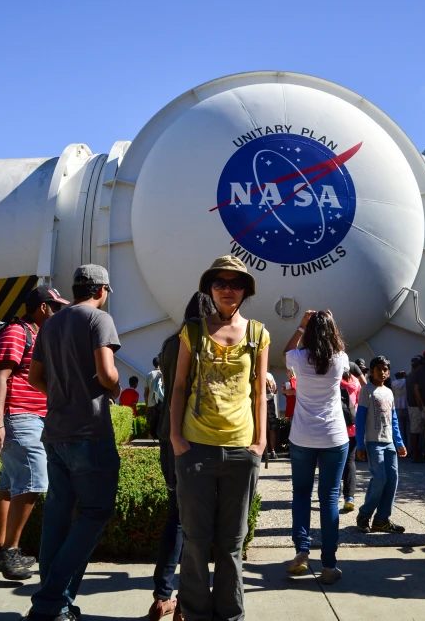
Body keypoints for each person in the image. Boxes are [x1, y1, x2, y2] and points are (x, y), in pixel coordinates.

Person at [170, 256, 269, 621]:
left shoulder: (259, 334)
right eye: (220, 283)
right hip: (195, 447)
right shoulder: (193, 332)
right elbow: (179, 386)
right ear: (210, 289)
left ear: (245, 291)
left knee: (231, 542)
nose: (228, 289)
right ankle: (195, 613)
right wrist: (176, 437)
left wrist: (259, 444)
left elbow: (259, 392)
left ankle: (230, 614)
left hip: (241, 450)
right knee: (195, 539)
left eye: (236, 283)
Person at [26, 264, 121, 621]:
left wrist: (64, 394)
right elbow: (107, 371)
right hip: (89, 432)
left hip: (55, 432)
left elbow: (35, 377)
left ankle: (58, 604)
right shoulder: (99, 320)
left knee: (57, 518)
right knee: (96, 512)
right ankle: (51, 601)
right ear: (101, 290)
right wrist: (111, 388)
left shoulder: (49, 324)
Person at [0, 286, 69, 581]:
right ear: (43, 308)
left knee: (10, 484)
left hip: (30, 418)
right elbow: (0, 376)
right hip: (18, 418)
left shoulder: (37, 334)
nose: (58, 312)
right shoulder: (16, 332)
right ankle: (10, 550)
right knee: (36, 480)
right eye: (56, 306)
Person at [149, 292, 215, 621]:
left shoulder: (170, 343)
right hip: (199, 438)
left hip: (168, 435)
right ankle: (187, 603)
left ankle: (162, 596)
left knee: (175, 516)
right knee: (199, 524)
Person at [283, 309, 349, 585]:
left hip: (302, 436)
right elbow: (339, 349)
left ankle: (302, 550)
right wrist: (330, 322)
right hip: (334, 436)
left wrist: (300, 326)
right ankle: (329, 564)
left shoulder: (299, 357)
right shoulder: (340, 358)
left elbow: (287, 351)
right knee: (330, 498)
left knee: (301, 494)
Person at [356, 356, 406, 533]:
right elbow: (360, 418)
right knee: (379, 478)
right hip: (373, 442)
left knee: (392, 479)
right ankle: (364, 515)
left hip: (389, 443)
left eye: (385, 369)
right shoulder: (366, 390)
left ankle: (382, 520)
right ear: (371, 371)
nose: (382, 372)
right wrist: (360, 445)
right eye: (379, 369)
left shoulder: (389, 392)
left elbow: (393, 420)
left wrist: (399, 442)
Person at [340, 367, 360, 512]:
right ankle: (349, 497)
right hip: (352, 425)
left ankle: (333, 494)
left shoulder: (332, 380)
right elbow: (359, 402)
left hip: (335, 427)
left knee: (332, 461)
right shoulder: (355, 381)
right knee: (350, 461)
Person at [406, 356, 425, 462]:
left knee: (415, 430)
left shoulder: (409, 375)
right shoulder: (416, 376)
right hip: (416, 406)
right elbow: (416, 392)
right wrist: (421, 406)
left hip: (411, 405)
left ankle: (416, 453)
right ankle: (416, 455)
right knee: (416, 431)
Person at [392, 371, 411, 452]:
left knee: (400, 430)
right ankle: (410, 449)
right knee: (408, 429)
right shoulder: (406, 382)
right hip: (406, 406)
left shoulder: (393, 383)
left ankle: (401, 447)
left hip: (397, 407)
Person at [145, 358, 163, 438]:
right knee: (162, 425)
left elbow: (146, 392)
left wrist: (147, 405)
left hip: (151, 404)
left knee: (151, 426)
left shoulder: (149, 375)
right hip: (162, 403)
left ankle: (151, 445)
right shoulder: (164, 373)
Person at [266, 371, 279, 459]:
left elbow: (274, 389)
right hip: (269, 402)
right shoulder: (269, 375)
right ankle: (272, 451)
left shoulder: (259, 373)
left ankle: (265, 451)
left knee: (262, 428)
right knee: (272, 427)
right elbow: (275, 390)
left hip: (263, 402)